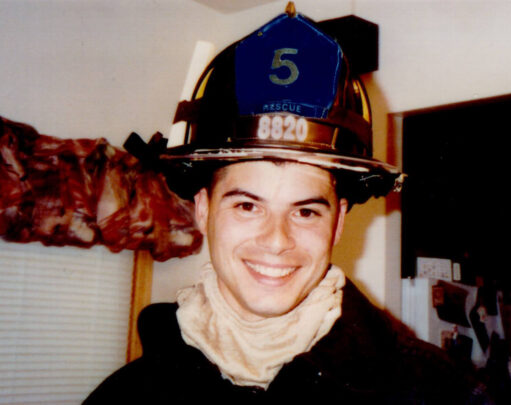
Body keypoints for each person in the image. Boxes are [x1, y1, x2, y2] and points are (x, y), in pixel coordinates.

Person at [85, 4, 479, 404]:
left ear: (338, 222)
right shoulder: (126, 397)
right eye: (247, 206)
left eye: (305, 211)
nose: (276, 240)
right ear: (203, 209)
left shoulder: (437, 392)